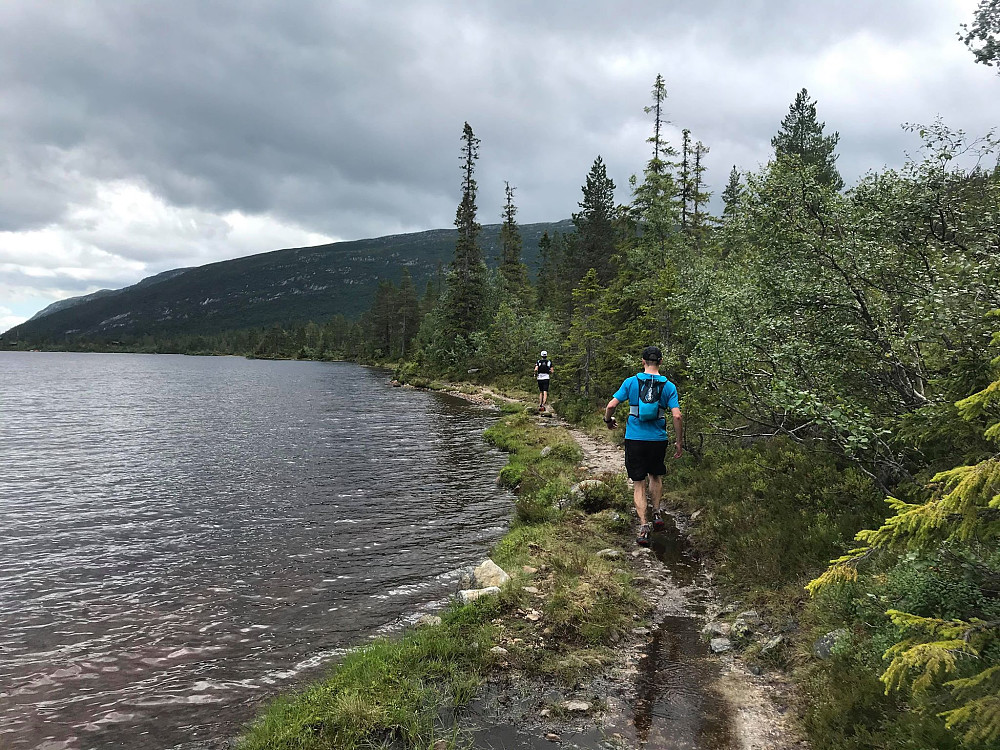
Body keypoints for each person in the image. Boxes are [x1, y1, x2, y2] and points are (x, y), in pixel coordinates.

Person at [603, 345, 683, 546]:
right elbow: (677, 415)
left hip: (635, 438)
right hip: (658, 439)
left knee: (639, 482)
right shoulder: (669, 386)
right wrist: (679, 441)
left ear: (642, 362)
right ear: (661, 362)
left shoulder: (631, 382)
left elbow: (611, 405)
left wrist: (608, 420)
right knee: (655, 475)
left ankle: (644, 526)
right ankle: (657, 512)